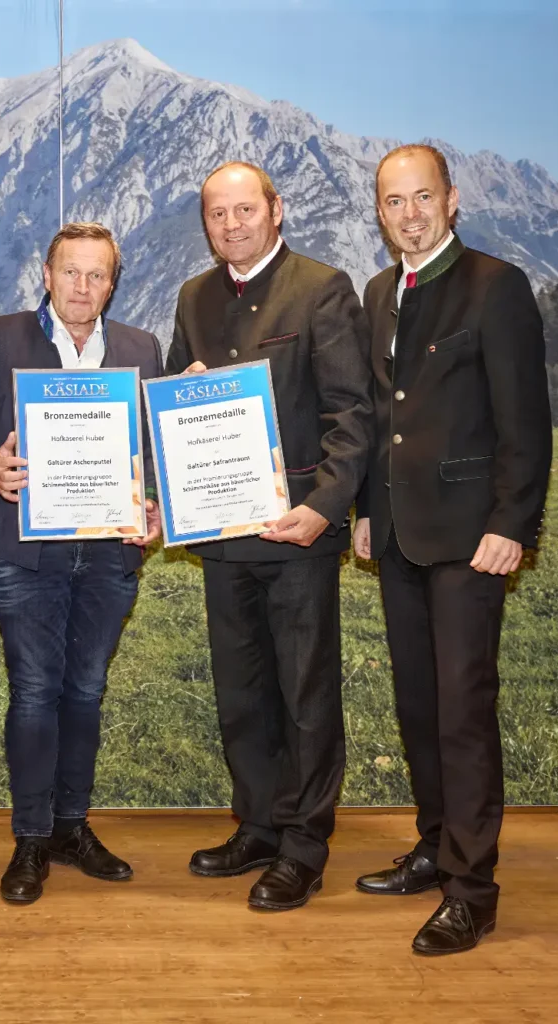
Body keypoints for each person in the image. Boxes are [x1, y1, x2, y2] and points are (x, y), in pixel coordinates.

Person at [352, 144, 552, 955]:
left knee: (464, 713)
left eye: (421, 197)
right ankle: (435, 847)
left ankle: (473, 889)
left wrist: (513, 523)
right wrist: (367, 510)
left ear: (452, 199)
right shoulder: (377, 292)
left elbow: (525, 420)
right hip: (397, 532)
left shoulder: (496, 286)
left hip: (472, 539)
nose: (409, 213)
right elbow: (377, 413)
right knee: (418, 705)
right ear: (380, 212)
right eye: (393, 201)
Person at [166, 162, 373, 911]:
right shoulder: (193, 297)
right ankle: (256, 823)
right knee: (242, 692)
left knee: (305, 694)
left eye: (244, 210)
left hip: (296, 532)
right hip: (221, 532)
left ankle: (305, 846)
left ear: (276, 210)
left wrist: (325, 507)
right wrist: (184, 390)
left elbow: (352, 414)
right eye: (216, 214)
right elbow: (170, 406)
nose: (231, 224)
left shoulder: (320, 287)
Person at [0, 223, 163, 904]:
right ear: (46, 273)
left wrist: (155, 504)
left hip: (108, 554)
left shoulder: (140, 349)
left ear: (112, 282)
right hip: (24, 549)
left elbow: (153, 450)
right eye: (71, 272)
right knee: (36, 691)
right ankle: (31, 837)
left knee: (87, 691)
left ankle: (72, 826)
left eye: (97, 276)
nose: (83, 288)